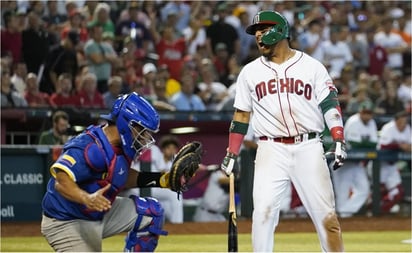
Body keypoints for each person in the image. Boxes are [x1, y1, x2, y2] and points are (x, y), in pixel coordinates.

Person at [220, 11, 345, 252]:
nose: (257, 36)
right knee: (263, 215)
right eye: (255, 32)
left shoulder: (311, 67)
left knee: (327, 218)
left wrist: (338, 136)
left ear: (279, 31)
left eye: (262, 31)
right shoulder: (250, 72)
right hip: (270, 148)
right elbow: (241, 116)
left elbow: (329, 103)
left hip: (308, 146)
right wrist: (232, 152)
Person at [40, 92, 191, 251]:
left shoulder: (122, 147)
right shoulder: (88, 146)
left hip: (98, 211)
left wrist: (161, 180)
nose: (145, 137)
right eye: (142, 129)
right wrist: (87, 198)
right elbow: (61, 182)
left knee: (151, 213)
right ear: (125, 123)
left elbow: (121, 176)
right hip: (66, 221)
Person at [331, 101, 378, 218]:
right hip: (342, 163)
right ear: (360, 112)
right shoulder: (353, 121)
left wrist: (364, 144)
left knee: (364, 190)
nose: (367, 116)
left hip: (356, 163)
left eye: (369, 113)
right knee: (342, 194)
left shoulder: (372, 123)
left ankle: (344, 214)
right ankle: (343, 215)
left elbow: (374, 143)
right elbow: (354, 143)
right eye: (364, 113)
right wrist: (365, 144)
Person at [377, 111, 411, 214]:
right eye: (401, 122)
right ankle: (370, 211)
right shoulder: (388, 128)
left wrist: (406, 147)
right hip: (380, 164)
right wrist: (399, 146)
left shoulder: (407, 128)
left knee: (398, 192)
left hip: (392, 165)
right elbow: (383, 146)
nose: (403, 124)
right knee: (380, 190)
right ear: (395, 121)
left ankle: (381, 212)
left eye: (405, 121)